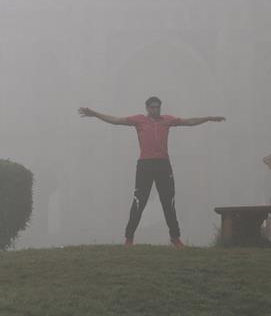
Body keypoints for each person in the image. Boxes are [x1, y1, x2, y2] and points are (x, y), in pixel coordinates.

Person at [78, 96, 225, 247]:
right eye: (152, 107)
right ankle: (129, 239)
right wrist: (95, 114)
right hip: (145, 165)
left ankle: (175, 238)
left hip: (163, 164)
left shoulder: (167, 120)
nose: (155, 109)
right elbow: (116, 120)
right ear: (147, 108)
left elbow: (189, 122)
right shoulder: (139, 120)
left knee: (168, 202)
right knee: (138, 201)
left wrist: (209, 118)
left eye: (158, 107)